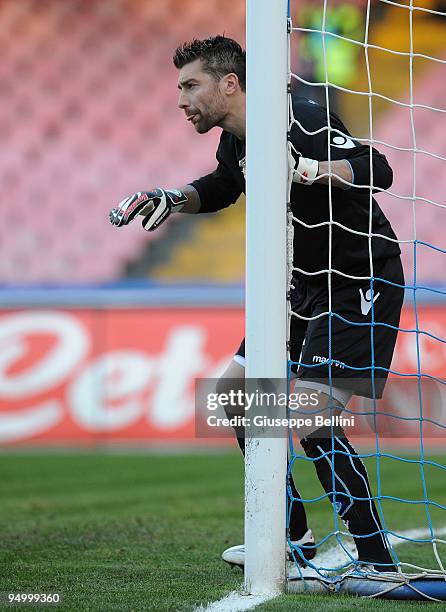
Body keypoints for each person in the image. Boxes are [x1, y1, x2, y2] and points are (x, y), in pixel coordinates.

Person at [109, 36, 404, 573]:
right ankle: (291, 540)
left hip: (357, 278)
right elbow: (224, 186)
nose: (180, 99)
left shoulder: (302, 119)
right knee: (232, 398)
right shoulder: (235, 140)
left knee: (311, 420)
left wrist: (311, 170)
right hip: (298, 287)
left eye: (190, 85)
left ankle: (377, 558)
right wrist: (174, 197)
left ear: (229, 84)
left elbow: (378, 169)